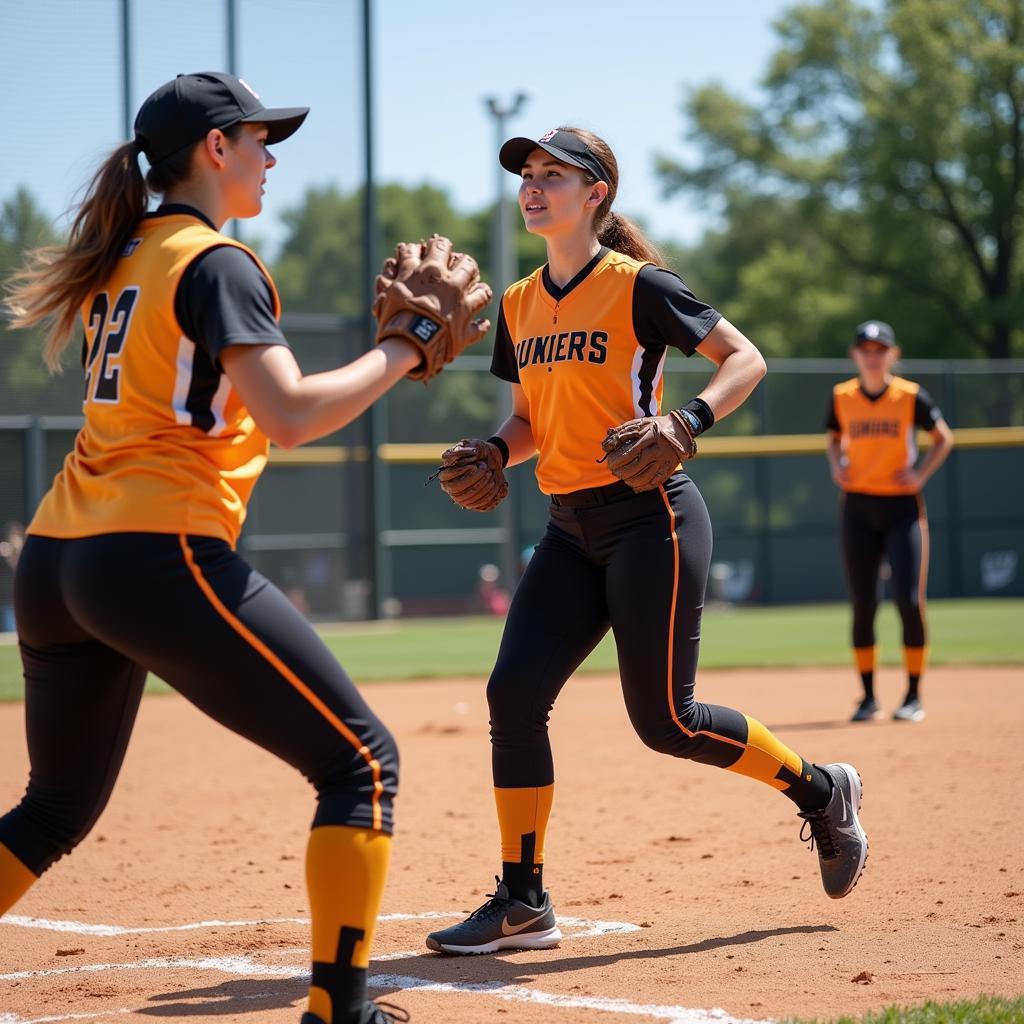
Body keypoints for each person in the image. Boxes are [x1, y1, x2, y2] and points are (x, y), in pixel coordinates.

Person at [1, 71, 488, 1024]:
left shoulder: (127, 249)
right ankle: (338, 1012)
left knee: (55, 808)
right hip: (153, 549)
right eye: (261, 140)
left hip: (59, 558)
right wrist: (410, 345)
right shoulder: (215, 260)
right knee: (362, 765)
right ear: (213, 149)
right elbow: (292, 413)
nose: (271, 158)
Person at [424, 127, 869, 957]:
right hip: (566, 527)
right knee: (512, 695)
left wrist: (685, 419)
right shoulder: (520, 302)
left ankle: (821, 791)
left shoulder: (637, 286)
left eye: (554, 174)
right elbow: (527, 422)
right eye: (528, 173)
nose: (534, 184)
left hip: (650, 516)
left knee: (667, 719)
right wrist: (493, 451)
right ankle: (523, 900)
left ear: (597, 194)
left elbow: (746, 358)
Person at [825, 320, 954, 723]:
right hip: (858, 509)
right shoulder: (842, 396)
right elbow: (831, 438)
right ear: (855, 355)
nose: (873, 354)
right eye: (866, 348)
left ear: (893, 355)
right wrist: (836, 464)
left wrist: (920, 473)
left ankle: (913, 696)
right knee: (863, 604)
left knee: (908, 601)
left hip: (902, 509)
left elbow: (943, 437)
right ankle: (867, 698)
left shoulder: (911, 396)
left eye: (881, 349)